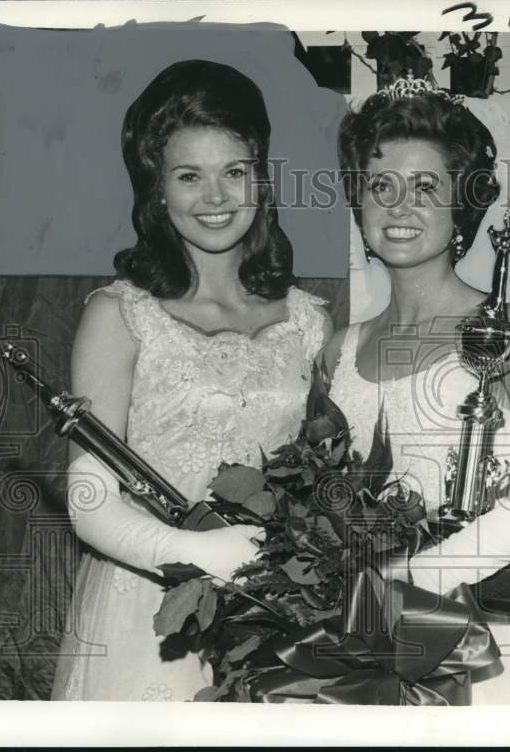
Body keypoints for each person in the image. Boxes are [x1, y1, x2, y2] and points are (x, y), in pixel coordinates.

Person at [323, 76, 510, 704]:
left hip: (486, 632)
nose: (400, 207)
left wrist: (428, 574)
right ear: (358, 201)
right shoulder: (338, 348)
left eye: (426, 186)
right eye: (381, 186)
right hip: (363, 632)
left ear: (462, 206)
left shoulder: (501, 328)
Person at [51, 60, 332, 701]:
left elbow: (312, 480)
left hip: (267, 621)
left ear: (260, 180)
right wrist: (201, 555)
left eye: (234, 172)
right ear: (156, 190)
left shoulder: (308, 321)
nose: (215, 198)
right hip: (144, 618)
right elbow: (89, 503)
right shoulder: (120, 314)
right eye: (189, 176)